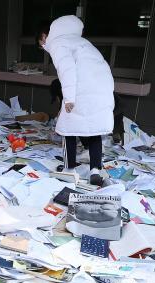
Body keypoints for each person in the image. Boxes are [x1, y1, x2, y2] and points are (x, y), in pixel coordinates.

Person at [37, 16, 114, 186]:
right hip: (101, 92)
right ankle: (95, 170)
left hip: (81, 91)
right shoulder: (83, 43)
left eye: (41, 43)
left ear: (44, 36)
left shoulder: (58, 43)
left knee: (67, 130)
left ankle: (69, 169)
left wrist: (69, 98)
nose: (43, 46)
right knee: (94, 131)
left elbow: (67, 69)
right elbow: (103, 69)